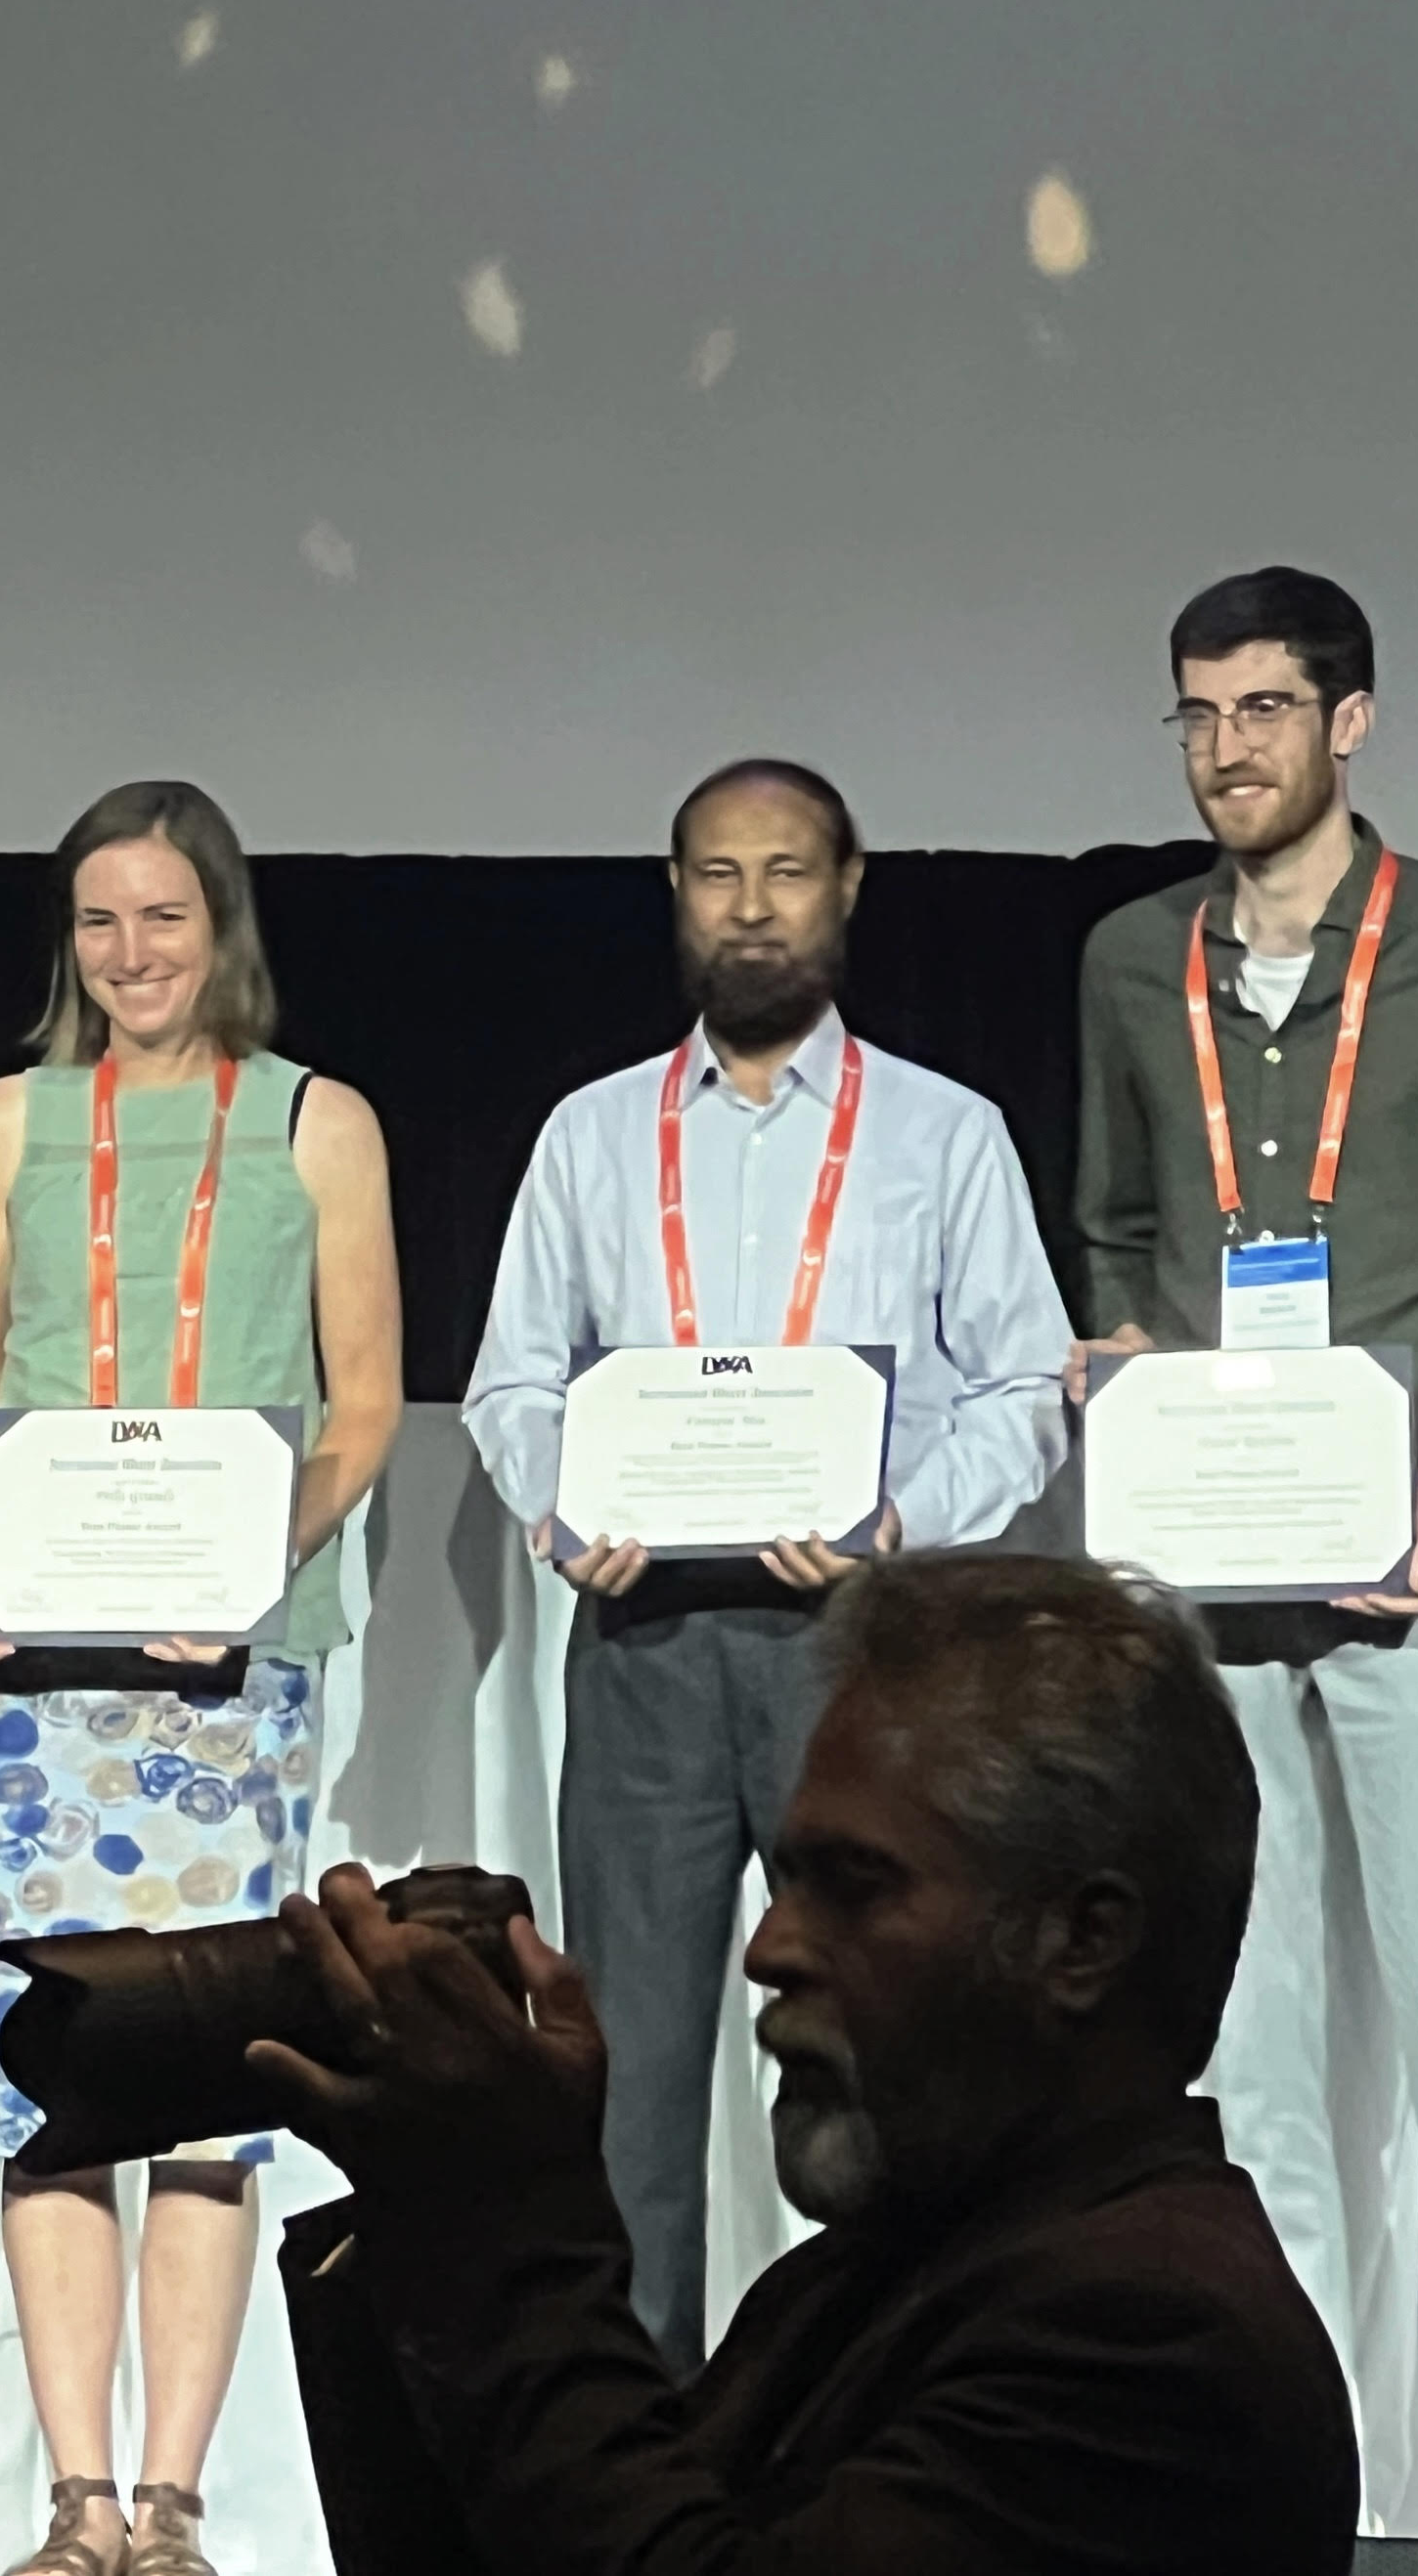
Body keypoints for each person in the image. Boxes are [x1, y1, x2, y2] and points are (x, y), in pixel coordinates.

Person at [272, 1551, 1360, 2575]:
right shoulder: (869, 2273)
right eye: (788, 1881)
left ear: (1079, 1941)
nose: (767, 1948)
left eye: (854, 1884)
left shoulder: (1149, 2341)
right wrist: (433, 2201)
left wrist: (519, 2216)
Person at [1072, 565, 1418, 2553]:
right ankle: (1281, 2478)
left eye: (1261, 712)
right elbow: (1116, 1230)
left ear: (1346, 723)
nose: (1223, 751)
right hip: (1211, 1588)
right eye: (1193, 715)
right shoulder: (1132, 960)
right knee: (1244, 2062)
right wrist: (1121, 1364)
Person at [463, 758, 1071, 2367]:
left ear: (846, 886)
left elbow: (1023, 1388)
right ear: (673, 895)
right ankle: (642, 2459)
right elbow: (514, 1381)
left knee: (883, 2060)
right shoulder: (590, 1136)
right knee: (628, 2081)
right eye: (714, 874)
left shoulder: (942, 1135)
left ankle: (880, 2426)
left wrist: (896, 1528)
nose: (749, 907)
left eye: (782, 872)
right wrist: (558, 1502)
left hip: (858, 1658)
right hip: (648, 1651)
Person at [0, 779, 403, 2576]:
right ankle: (70, 2501)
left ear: (221, 931)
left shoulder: (312, 1123)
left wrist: (263, 1553)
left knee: (205, 2076)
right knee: (50, 2081)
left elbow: (358, 1403)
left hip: (225, 1673)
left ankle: (173, 2504)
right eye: (99, 922)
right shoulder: (0, 1122)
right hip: (34, 1673)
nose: (130, 956)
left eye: (163, 920)